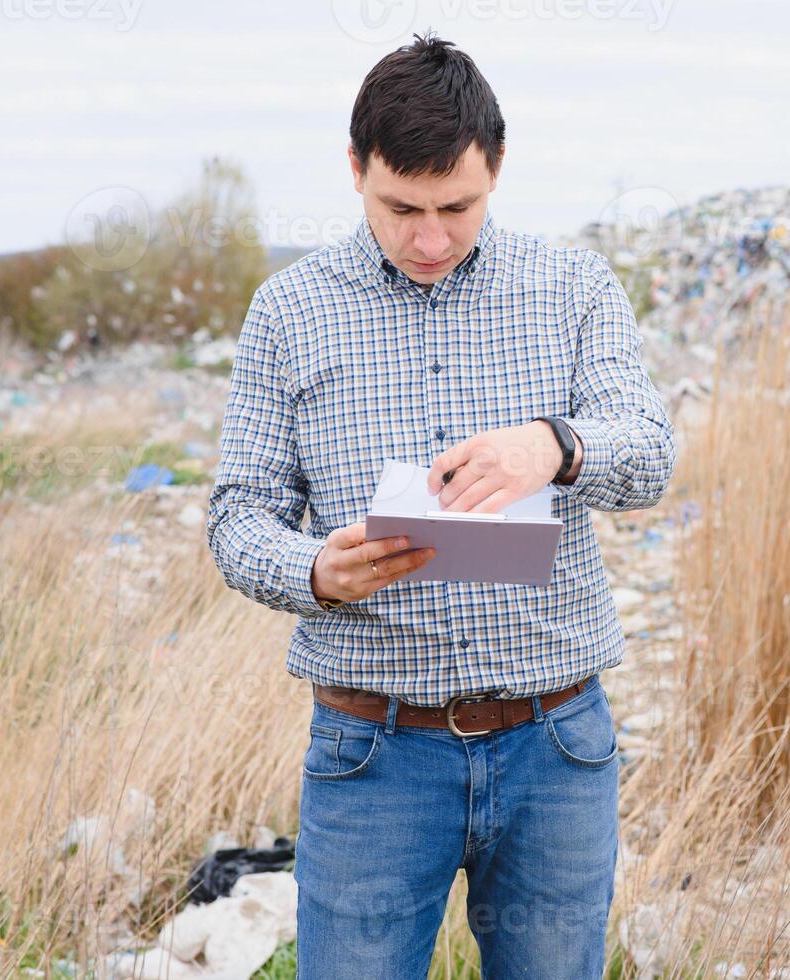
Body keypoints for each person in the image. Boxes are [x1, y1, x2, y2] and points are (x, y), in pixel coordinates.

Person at [204, 31, 676, 979]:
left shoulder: (573, 288)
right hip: (371, 755)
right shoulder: (288, 311)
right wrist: (314, 572)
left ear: (496, 169)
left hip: (556, 747)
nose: (430, 239)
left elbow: (652, 455)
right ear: (355, 170)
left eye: (456, 207)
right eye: (401, 208)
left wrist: (557, 444)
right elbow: (236, 513)